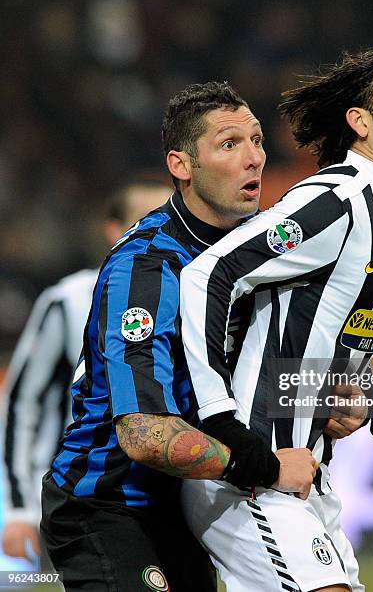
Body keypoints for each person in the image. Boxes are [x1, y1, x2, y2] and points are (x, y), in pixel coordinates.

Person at [179, 40, 373, 592]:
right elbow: (208, 274)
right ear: (360, 122)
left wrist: (356, 391)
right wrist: (222, 420)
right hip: (251, 474)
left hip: (309, 479)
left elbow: (341, 334)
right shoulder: (336, 199)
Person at [40, 82, 317, 592]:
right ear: (181, 165)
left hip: (187, 499)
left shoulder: (258, 253)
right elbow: (143, 434)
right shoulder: (147, 269)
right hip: (108, 502)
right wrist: (264, 466)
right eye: (230, 144)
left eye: (257, 141)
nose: (254, 158)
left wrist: (335, 398)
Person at [1, 180, 172, 562]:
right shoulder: (69, 300)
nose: (163, 229)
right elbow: (22, 402)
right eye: (147, 219)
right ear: (114, 230)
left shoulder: (191, 295)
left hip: (167, 493)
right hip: (80, 492)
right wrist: (17, 509)